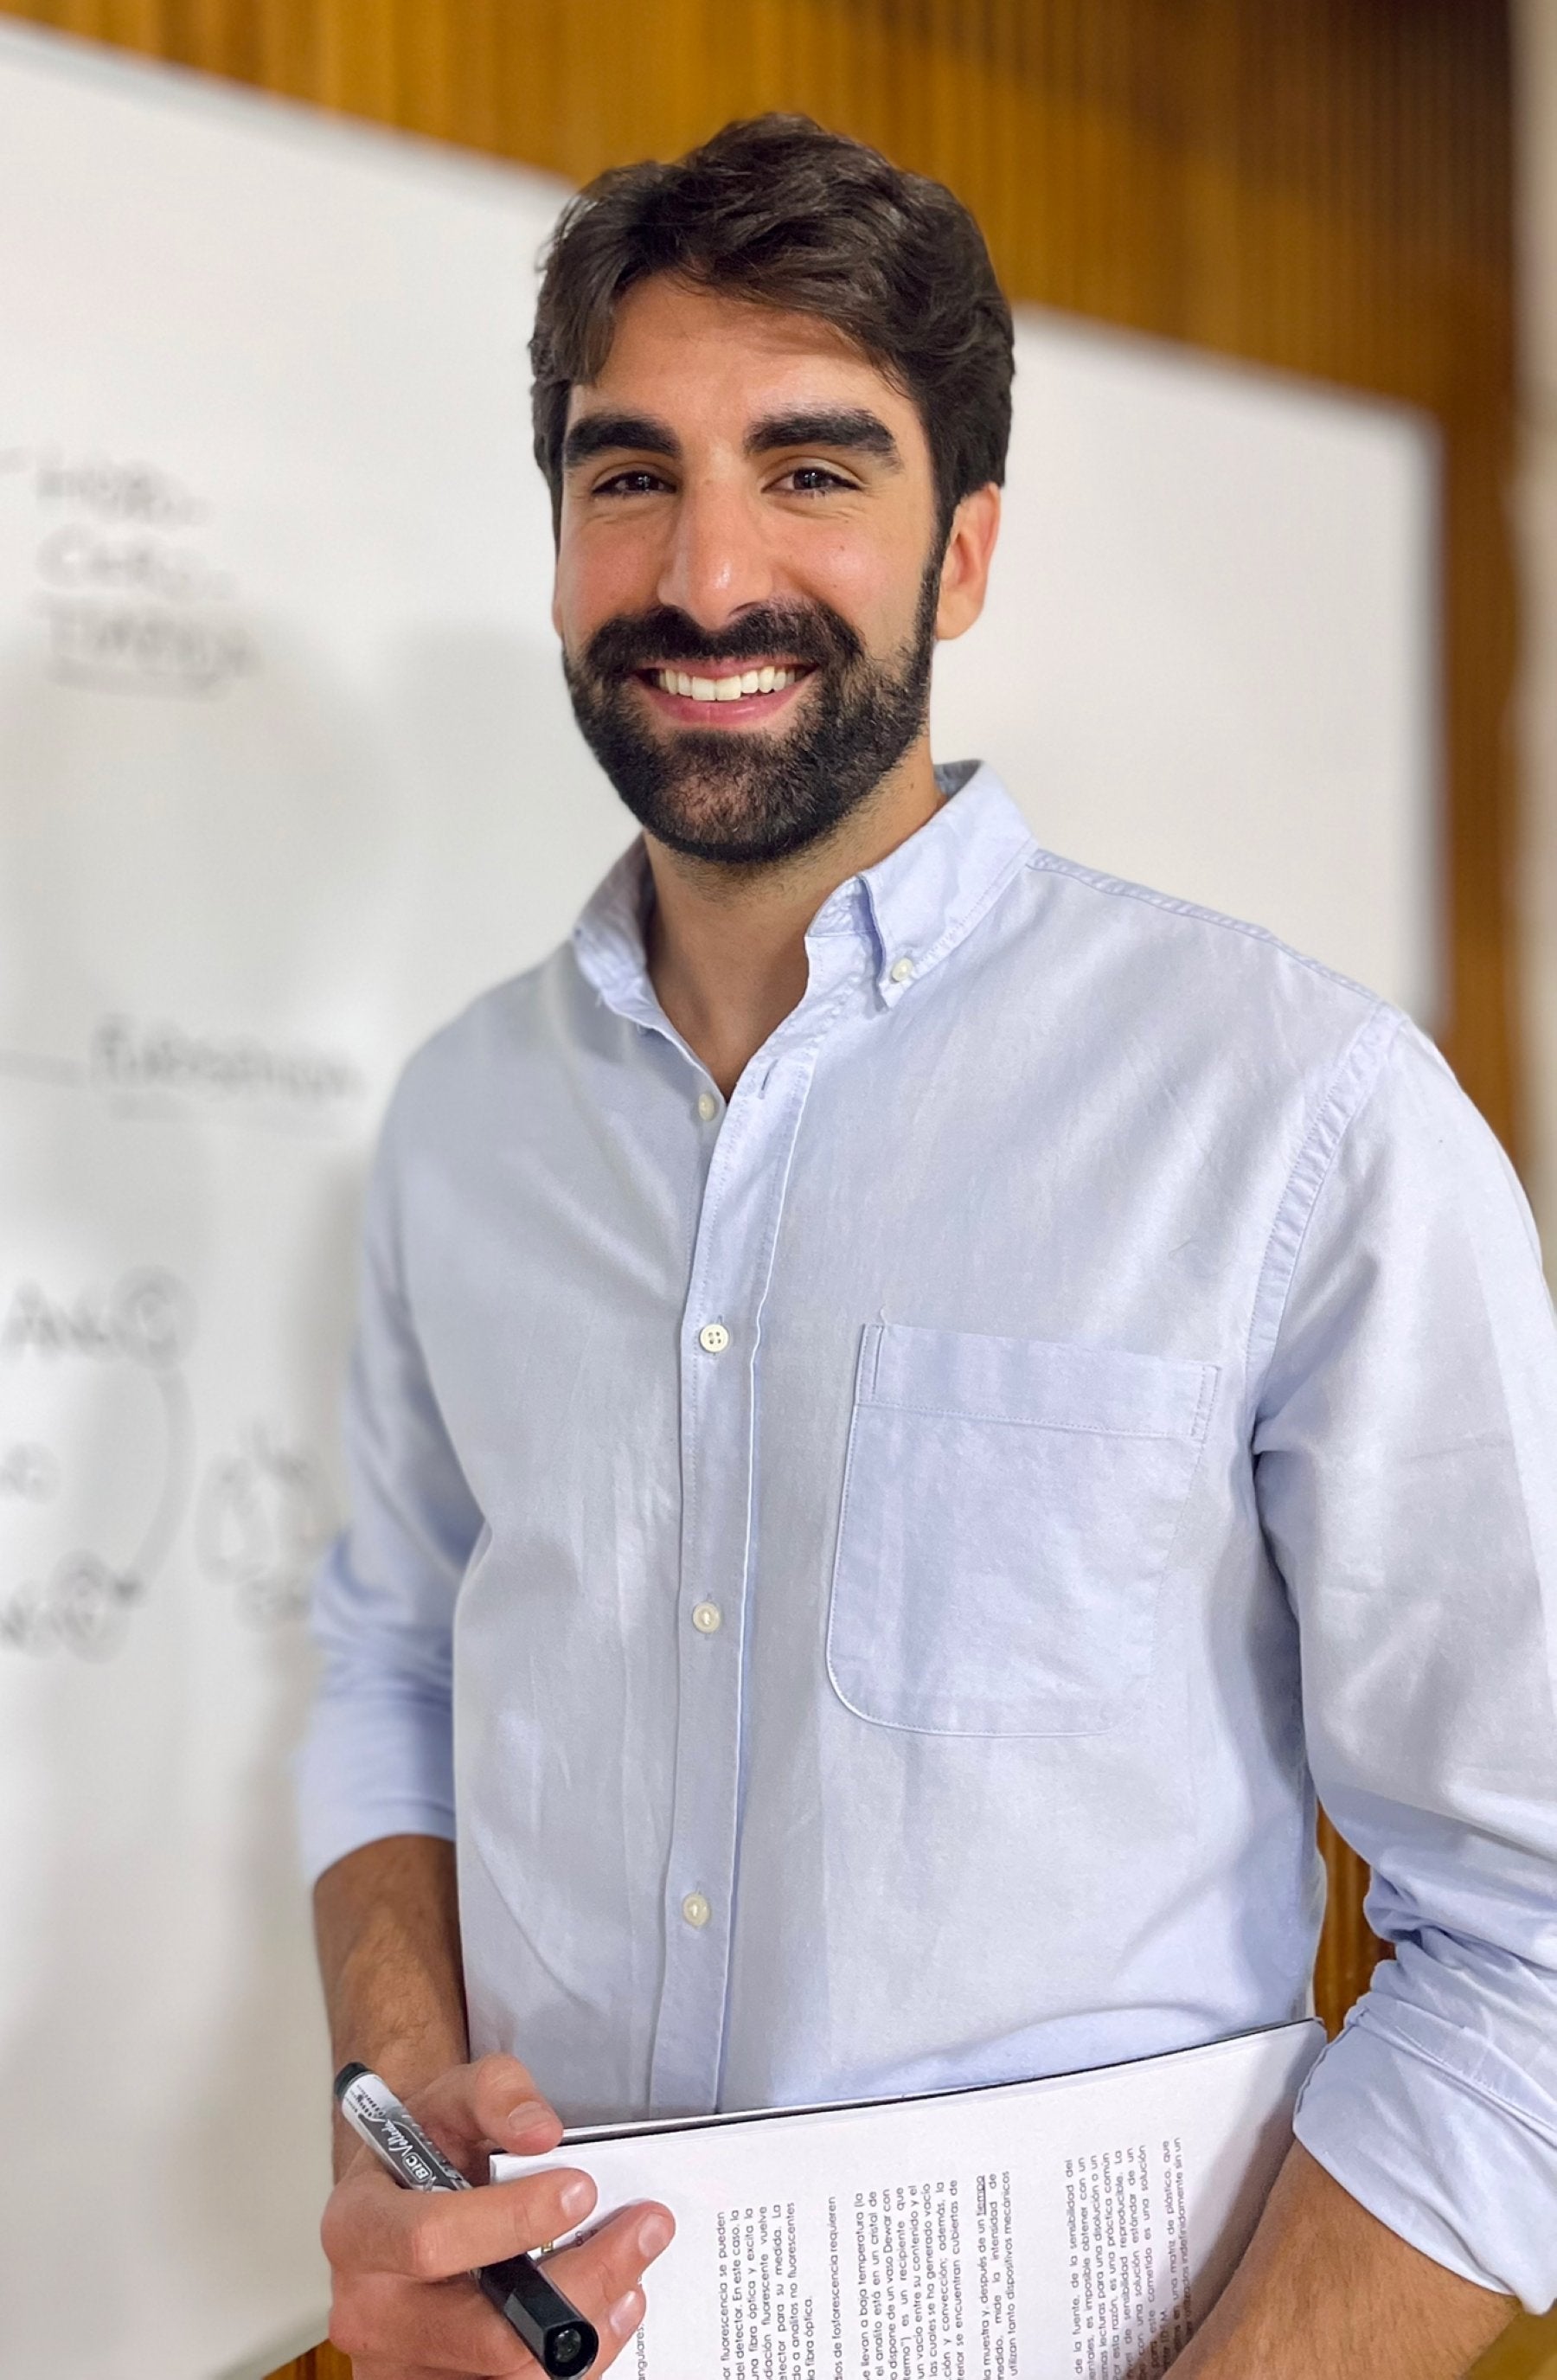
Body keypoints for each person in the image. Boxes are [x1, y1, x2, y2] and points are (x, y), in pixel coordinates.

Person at [298, 114, 1557, 2379]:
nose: (703, 574)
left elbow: (1535, 1940)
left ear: (962, 554)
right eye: (626, 475)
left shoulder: (1298, 1122)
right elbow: (391, 1672)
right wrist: (397, 2143)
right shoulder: (460, 1128)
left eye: (812, 471)